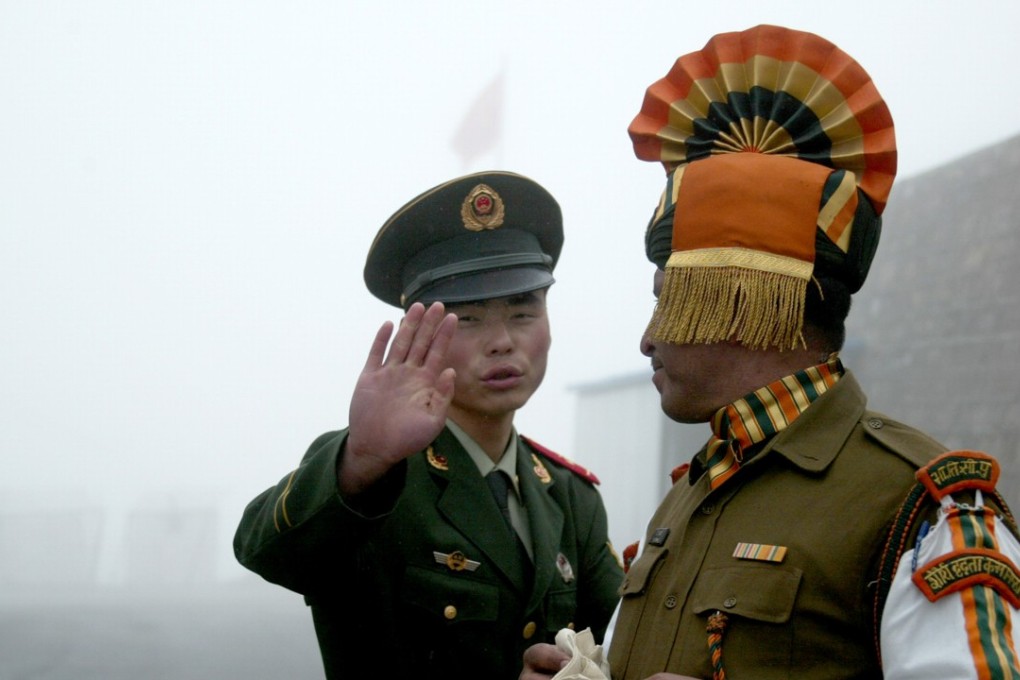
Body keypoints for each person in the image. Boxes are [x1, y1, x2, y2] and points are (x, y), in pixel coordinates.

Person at [522, 24, 1020, 680]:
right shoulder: (689, 498)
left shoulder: (927, 507)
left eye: (666, 298)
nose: (646, 337)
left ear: (738, 297)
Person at [233, 171, 623, 680]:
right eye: (469, 319)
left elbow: (624, 637)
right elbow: (265, 551)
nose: (503, 341)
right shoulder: (375, 475)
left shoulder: (571, 498)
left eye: (524, 312)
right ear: (420, 334)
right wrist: (363, 460)